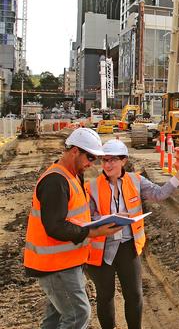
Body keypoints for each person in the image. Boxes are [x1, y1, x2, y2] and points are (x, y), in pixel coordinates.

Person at [84, 139, 179, 329]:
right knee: (105, 296)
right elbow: (87, 218)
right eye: (104, 160)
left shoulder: (136, 181)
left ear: (124, 161)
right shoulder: (92, 187)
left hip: (127, 248)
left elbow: (159, 194)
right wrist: (107, 218)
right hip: (102, 250)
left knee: (134, 295)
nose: (108, 164)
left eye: (112, 160)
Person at [24, 128, 122, 329]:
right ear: (75, 151)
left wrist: (100, 221)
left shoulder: (72, 176)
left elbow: (75, 216)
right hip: (55, 265)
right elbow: (55, 227)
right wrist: (93, 232)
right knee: (78, 314)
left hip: (66, 262)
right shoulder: (56, 181)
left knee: (56, 318)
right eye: (90, 157)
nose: (92, 163)